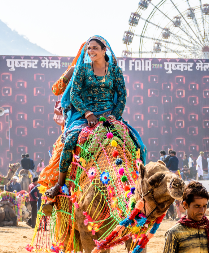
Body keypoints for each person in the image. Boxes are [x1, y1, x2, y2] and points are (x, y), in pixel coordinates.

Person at [47, 36, 146, 199]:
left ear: (104, 50)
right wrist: (87, 113)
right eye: (89, 48)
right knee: (70, 141)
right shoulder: (82, 69)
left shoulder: (115, 71)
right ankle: (60, 184)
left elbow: (122, 95)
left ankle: (140, 187)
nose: (91, 51)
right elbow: (74, 94)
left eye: (94, 48)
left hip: (110, 117)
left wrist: (114, 116)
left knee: (139, 146)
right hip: (85, 117)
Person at [162, 181, 209, 253]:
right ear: (185, 205)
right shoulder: (174, 233)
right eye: (197, 206)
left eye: (205, 206)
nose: (202, 211)